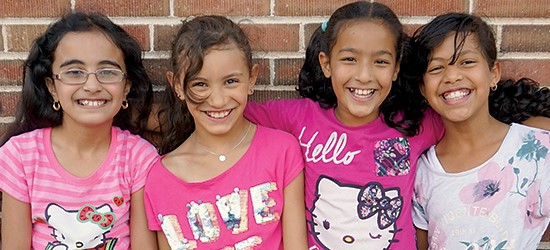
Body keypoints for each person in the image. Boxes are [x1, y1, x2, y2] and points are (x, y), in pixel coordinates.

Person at [244, 1, 444, 249]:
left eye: (380, 62)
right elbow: (232, 112)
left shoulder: (414, 127)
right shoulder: (299, 118)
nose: (364, 75)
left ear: (396, 68)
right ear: (327, 64)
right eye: (349, 59)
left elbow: (467, 124)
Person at [144, 15, 308, 249]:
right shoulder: (160, 178)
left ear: (251, 78)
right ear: (177, 86)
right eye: (199, 84)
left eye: (230, 81)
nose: (218, 100)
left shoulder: (281, 151)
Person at [0, 12, 159, 249]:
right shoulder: (21, 156)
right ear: (52, 86)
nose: (92, 85)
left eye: (107, 71)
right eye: (74, 72)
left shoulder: (138, 158)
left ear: (126, 87)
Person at [409, 12, 550, 249]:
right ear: (423, 88)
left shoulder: (537, 153)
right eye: (436, 68)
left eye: (467, 62)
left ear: (493, 73)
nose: (452, 76)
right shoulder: (422, 172)